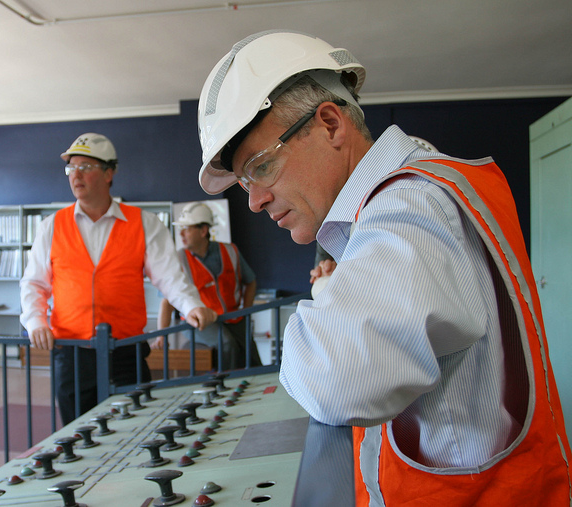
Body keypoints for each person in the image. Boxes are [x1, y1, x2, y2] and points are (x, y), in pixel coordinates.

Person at [195, 31, 572, 504]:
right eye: (244, 181)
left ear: (331, 124)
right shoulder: (413, 188)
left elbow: (337, 381)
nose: (253, 201)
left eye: (262, 168)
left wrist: (321, 306)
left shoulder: (412, 203)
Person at [20, 133, 215, 425]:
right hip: (73, 353)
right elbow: (34, 283)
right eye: (71, 168)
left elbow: (170, 276)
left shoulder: (144, 223)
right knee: (78, 434)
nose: (76, 174)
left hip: (126, 351)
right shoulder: (51, 226)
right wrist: (35, 321)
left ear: (109, 173)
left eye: (85, 167)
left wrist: (191, 306)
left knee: (134, 430)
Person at [153, 202, 261, 370]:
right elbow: (166, 302)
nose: (181, 234)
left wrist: (245, 312)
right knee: (226, 343)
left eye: (187, 229)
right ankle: (227, 387)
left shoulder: (230, 251)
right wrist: (161, 335)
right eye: (181, 228)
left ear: (203, 231)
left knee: (251, 354)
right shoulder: (178, 260)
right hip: (199, 321)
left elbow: (251, 281)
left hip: (233, 317)